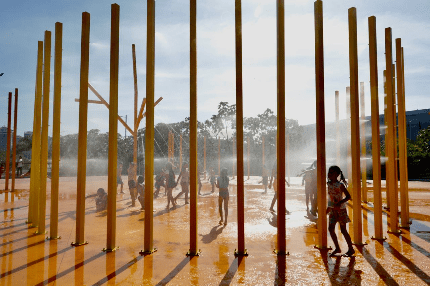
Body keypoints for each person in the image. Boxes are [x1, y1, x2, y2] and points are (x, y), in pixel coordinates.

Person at [326, 165, 355, 257]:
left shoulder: (340, 185)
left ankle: (351, 249)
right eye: (329, 172)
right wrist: (329, 207)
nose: (329, 174)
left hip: (341, 211)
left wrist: (340, 202)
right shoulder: (328, 184)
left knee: (343, 230)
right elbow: (330, 197)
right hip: (333, 210)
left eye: (332, 172)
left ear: (337, 174)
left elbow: (348, 196)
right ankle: (337, 248)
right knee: (330, 229)